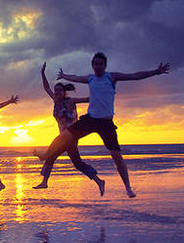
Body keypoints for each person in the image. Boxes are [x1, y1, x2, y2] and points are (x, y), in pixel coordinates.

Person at [36, 52, 170, 197]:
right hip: (90, 119)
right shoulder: (90, 79)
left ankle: (128, 188)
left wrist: (156, 72)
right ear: (93, 66)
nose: (98, 66)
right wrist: (64, 76)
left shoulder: (111, 77)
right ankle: (46, 158)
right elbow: (75, 78)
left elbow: (135, 76)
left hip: (106, 122)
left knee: (116, 156)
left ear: (104, 66)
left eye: (101, 64)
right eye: (96, 64)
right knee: (63, 139)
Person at [34, 62, 106, 195]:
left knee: (53, 156)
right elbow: (46, 87)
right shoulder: (56, 100)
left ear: (64, 92)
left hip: (72, 136)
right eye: (56, 91)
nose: (57, 93)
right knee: (76, 163)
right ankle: (99, 181)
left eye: (60, 91)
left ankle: (44, 166)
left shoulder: (70, 101)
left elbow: (87, 99)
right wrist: (42, 73)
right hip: (64, 136)